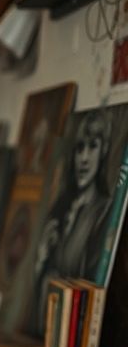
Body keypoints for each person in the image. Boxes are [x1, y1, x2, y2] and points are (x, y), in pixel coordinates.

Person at [33, 109, 113, 329]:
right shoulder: (62, 209)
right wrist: (41, 261)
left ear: (104, 150)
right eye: (79, 148)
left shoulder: (103, 211)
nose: (84, 158)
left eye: (93, 146)